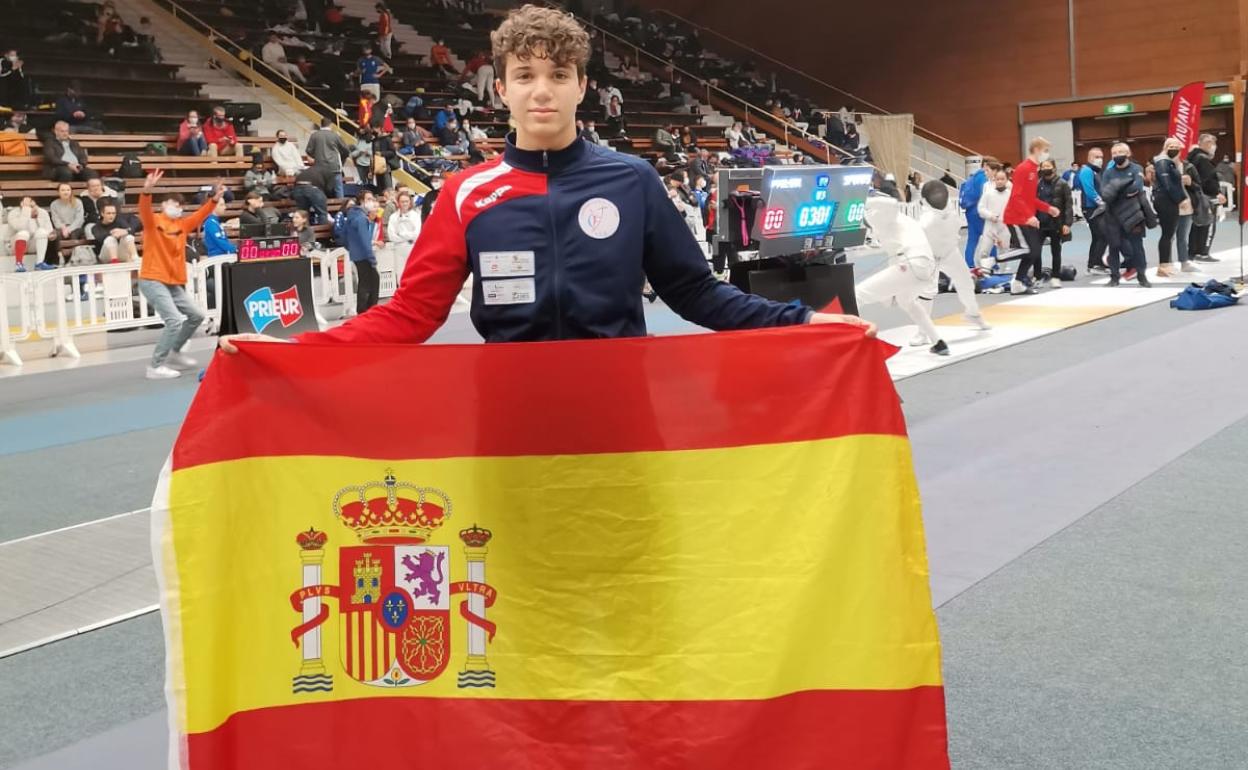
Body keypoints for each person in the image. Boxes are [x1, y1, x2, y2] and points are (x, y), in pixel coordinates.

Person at [221, 3, 868, 351]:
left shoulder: (633, 181)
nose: (542, 90)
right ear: (501, 88)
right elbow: (411, 315)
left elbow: (698, 293)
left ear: (582, 86)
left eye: (558, 75)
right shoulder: (466, 193)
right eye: (525, 75)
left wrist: (803, 324)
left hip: (620, 413)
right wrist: (297, 348)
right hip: (509, 419)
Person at [136, 169, 225, 379]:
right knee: (174, 320)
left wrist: (214, 199)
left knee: (197, 316)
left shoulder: (182, 225)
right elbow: (144, 208)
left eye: (179, 205)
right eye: (172, 203)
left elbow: (201, 214)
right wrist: (146, 190)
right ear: (163, 205)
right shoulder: (153, 222)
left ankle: (175, 352)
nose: (176, 207)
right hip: (152, 278)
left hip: (172, 281)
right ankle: (155, 366)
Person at [859, 194, 948, 356]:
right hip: (924, 267)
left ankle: (853, 344)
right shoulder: (898, 223)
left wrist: (861, 201)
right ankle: (938, 342)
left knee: (857, 294)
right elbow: (894, 257)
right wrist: (890, 293)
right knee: (906, 301)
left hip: (911, 264)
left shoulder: (887, 215)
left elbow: (892, 203)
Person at [918, 180, 990, 339]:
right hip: (931, 257)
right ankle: (922, 332)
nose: (938, 197)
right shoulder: (925, 221)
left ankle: (973, 314)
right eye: (935, 194)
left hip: (950, 253)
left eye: (939, 193)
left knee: (966, 282)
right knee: (927, 292)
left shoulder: (949, 209)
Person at [1003, 137, 1061, 295]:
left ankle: (1018, 283)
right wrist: (1029, 216)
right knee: (1028, 250)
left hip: (1025, 217)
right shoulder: (1023, 169)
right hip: (1015, 217)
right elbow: (1016, 196)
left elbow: (1030, 198)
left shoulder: (1034, 170)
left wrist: (1048, 208)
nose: (1047, 154)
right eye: (1045, 150)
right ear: (1036, 150)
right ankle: (992, 261)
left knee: (1034, 251)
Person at [1100, 142, 1154, 287]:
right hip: (1113, 215)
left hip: (1133, 214)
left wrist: (1115, 187)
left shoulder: (1137, 168)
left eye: (1120, 152)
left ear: (1128, 153)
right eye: (1114, 153)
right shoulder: (1108, 172)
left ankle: (1142, 276)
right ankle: (1114, 277)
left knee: (1137, 247)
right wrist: (1124, 186)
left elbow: (1136, 188)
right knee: (1114, 246)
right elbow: (1105, 193)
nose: (1117, 155)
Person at [340, 190, 382, 313]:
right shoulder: (361, 218)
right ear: (362, 201)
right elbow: (365, 240)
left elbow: (343, 235)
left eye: (372, 199)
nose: (371, 202)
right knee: (371, 282)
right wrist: (372, 258)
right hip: (364, 255)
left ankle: (365, 310)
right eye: (369, 199)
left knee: (365, 281)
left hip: (356, 254)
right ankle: (367, 310)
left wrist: (351, 248)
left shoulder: (352, 215)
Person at [1152, 137, 1188, 278]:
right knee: (1167, 234)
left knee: (1169, 233)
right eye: (1171, 146)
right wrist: (1180, 199)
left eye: (1177, 147)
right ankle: (1163, 266)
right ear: (1165, 147)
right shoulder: (1163, 162)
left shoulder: (1169, 162)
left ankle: (1166, 263)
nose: (1174, 149)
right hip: (1166, 201)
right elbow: (1168, 184)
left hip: (1169, 200)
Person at [1186, 134, 1224, 263]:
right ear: (1200, 143)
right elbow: (1208, 179)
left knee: (1197, 224)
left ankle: (1193, 253)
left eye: (1213, 142)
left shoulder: (1193, 157)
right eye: (1208, 142)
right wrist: (1217, 192)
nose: (1211, 145)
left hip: (1196, 195)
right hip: (1206, 196)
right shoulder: (1203, 159)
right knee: (1208, 224)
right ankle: (1203, 253)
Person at [1036, 158, 1073, 288]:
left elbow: (1068, 205)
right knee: (1036, 251)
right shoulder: (1037, 184)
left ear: (1054, 168)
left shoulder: (1063, 184)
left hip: (1056, 222)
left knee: (1056, 251)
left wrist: (1067, 223)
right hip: (1040, 222)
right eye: (1043, 166)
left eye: (1048, 166)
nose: (1045, 168)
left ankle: (1056, 277)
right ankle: (1037, 277)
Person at [1076, 147, 1111, 274]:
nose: (1100, 159)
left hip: (1098, 208)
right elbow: (1089, 190)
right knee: (1103, 235)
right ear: (1089, 158)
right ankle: (1095, 264)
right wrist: (1101, 202)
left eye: (1101, 157)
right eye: (1097, 157)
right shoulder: (1087, 170)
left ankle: (1094, 263)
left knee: (1098, 237)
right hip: (1091, 208)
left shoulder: (1097, 171)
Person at [959, 158, 997, 268]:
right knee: (990, 237)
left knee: (972, 239)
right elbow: (984, 195)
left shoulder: (973, 177)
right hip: (979, 212)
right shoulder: (983, 177)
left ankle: (969, 263)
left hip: (970, 210)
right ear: (985, 165)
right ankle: (993, 263)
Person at [973, 169, 1012, 270]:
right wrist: (990, 216)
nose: (1000, 181)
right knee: (984, 251)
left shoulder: (1010, 195)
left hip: (1004, 227)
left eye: (1002, 179)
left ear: (1007, 180)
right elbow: (981, 208)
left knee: (1004, 251)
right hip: (990, 226)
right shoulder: (988, 194)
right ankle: (982, 271)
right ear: (994, 180)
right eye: (998, 179)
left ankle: (1002, 272)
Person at [6, 197, 56, 271]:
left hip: (33, 244)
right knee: (24, 233)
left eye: (31, 202)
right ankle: (18, 264)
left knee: (42, 232)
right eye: (27, 202)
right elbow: (20, 227)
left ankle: (39, 263)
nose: (30, 204)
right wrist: (26, 211)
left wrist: (37, 218)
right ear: (21, 204)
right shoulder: (13, 213)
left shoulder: (42, 212)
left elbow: (48, 230)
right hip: (14, 244)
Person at [306, 118, 350, 198]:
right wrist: (341, 159)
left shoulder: (314, 135)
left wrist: (317, 156)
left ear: (321, 125)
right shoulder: (335, 135)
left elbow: (309, 151)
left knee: (321, 190)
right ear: (331, 125)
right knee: (338, 189)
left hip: (319, 168)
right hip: (334, 167)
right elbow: (346, 150)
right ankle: (341, 205)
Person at [387, 190, 421, 278]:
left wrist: (401, 233)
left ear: (410, 202)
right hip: (399, 250)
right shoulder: (393, 217)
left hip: (413, 249)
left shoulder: (416, 216)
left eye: (406, 201)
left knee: (415, 275)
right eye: (402, 202)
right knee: (401, 275)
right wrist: (408, 237)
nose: (405, 204)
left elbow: (416, 235)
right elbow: (392, 236)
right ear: (398, 203)